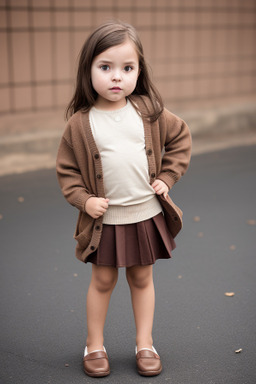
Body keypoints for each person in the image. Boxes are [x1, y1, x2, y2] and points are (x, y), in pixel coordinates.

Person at [56, 20, 191, 378]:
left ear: (139, 71)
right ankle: (94, 344)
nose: (117, 77)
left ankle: (145, 343)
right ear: (88, 71)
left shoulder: (148, 111)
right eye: (106, 67)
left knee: (142, 279)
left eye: (127, 68)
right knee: (102, 281)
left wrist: (166, 177)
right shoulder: (81, 124)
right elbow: (67, 172)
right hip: (106, 221)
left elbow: (180, 139)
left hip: (145, 215)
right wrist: (84, 201)